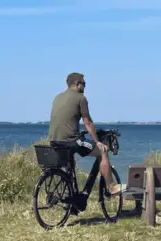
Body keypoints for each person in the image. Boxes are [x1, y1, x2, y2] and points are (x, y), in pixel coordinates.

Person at [48, 72, 123, 200]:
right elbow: (87, 122)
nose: (85, 86)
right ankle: (111, 187)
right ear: (76, 84)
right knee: (102, 151)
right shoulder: (80, 98)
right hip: (71, 141)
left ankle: (72, 195)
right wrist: (97, 141)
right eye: (84, 84)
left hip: (54, 141)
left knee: (69, 167)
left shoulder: (57, 97)